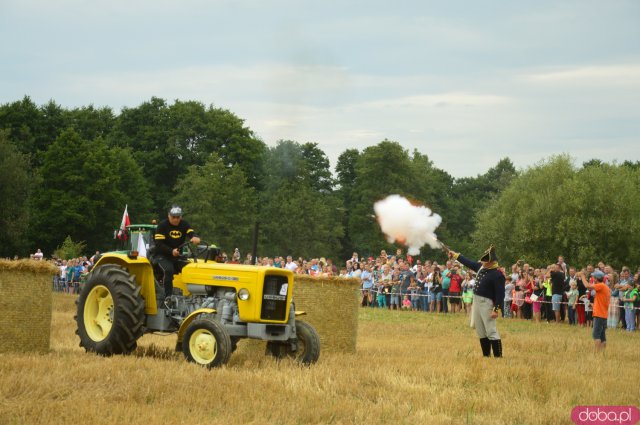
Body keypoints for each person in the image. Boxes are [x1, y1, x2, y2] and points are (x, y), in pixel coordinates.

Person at [447, 245, 505, 358]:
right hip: (477, 301)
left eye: (484, 261)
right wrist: (455, 255)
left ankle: (498, 357)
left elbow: (500, 294)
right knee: (480, 330)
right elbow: (468, 262)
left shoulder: (497, 275)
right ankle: (486, 355)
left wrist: (496, 309)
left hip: (486, 303)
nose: (482, 262)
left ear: (491, 262)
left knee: (491, 330)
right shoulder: (482, 268)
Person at [153, 205, 200, 299]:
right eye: (173, 217)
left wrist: (194, 237)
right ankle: (168, 297)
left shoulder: (184, 224)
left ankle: (195, 296)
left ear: (181, 217)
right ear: (168, 216)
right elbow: (159, 244)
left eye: (178, 217)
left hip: (177, 256)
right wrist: (171, 251)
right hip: (161, 255)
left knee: (192, 267)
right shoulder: (162, 225)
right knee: (168, 270)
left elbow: (191, 233)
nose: (176, 219)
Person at [584, 270, 611, 353]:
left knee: (596, 335)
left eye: (593, 277)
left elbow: (587, 286)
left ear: (596, 279)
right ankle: (602, 353)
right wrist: (593, 305)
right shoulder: (605, 287)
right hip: (603, 314)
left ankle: (597, 353)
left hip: (599, 315)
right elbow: (602, 301)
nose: (592, 279)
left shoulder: (601, 285)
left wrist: (582, 276)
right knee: (602, 335)